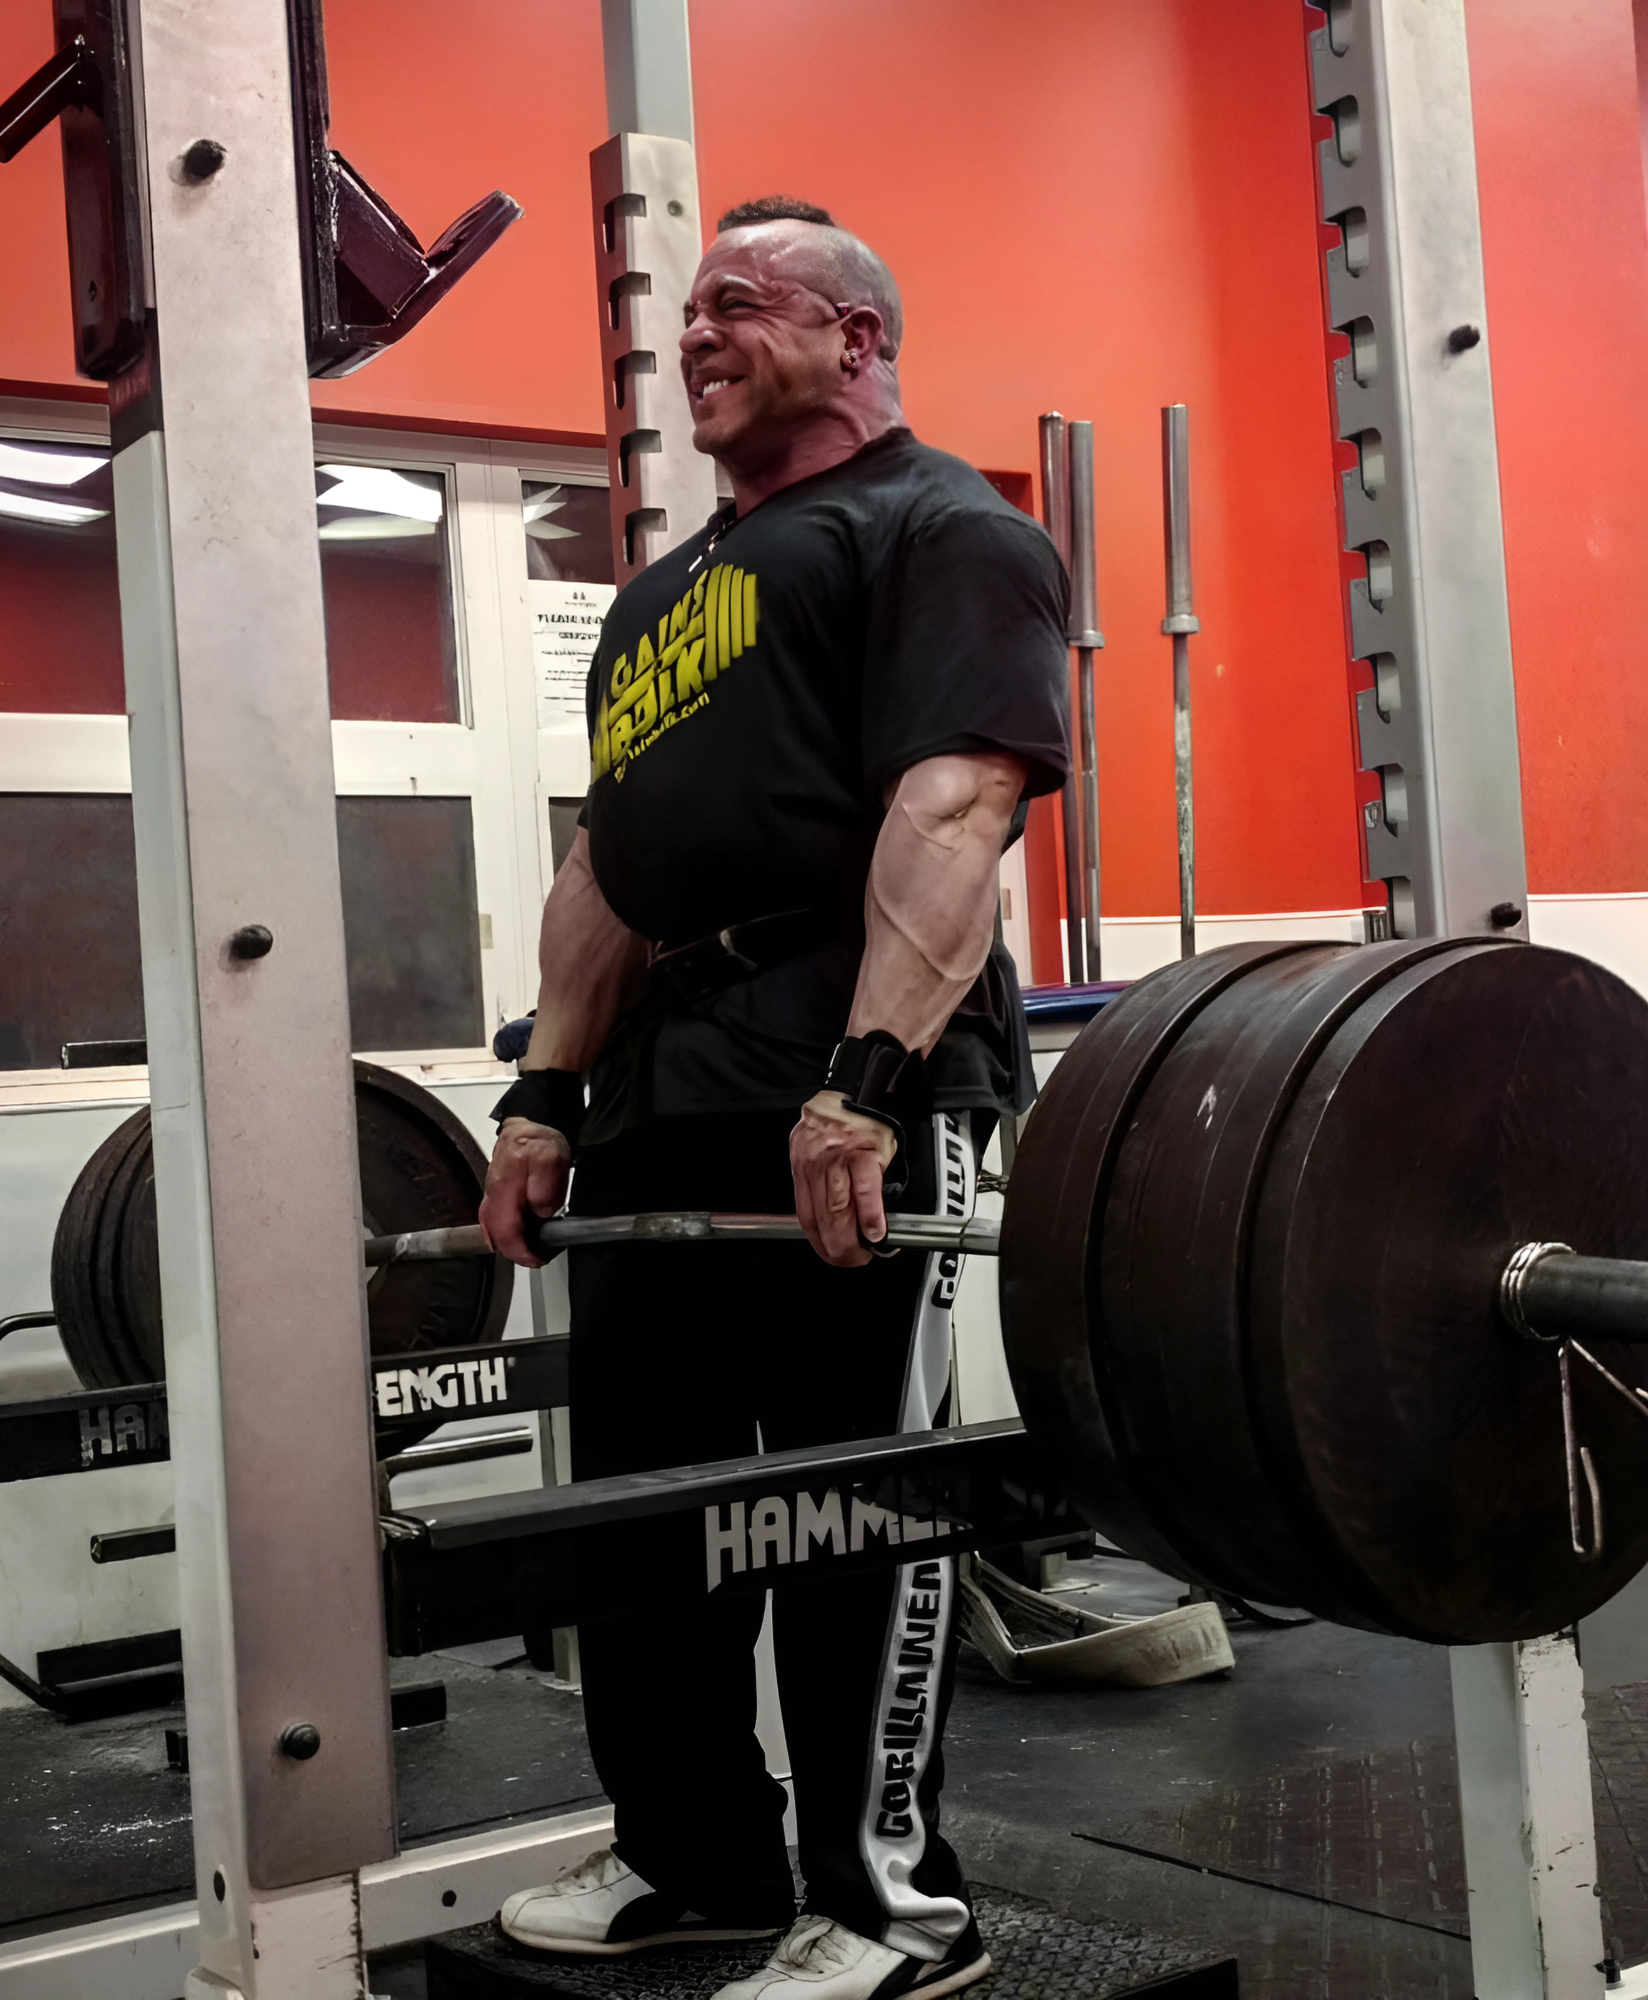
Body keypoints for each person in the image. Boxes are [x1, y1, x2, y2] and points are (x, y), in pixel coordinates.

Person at [480, 195, 1071, 2000]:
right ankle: (695, 1862)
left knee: (853, 1509)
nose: (697, 337)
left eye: (741, 303)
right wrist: (543, 1097)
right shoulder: (666, 591)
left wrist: (869, 1083)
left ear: (858, 336)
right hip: (669, 1096)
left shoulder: (944, 526)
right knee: (645, 1512)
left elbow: (955, 806)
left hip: (847, 1082)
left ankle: (890, 1905)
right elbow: (609, 867)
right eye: (689, 317)